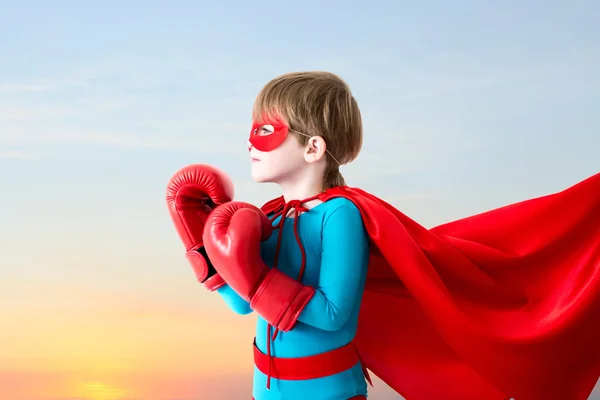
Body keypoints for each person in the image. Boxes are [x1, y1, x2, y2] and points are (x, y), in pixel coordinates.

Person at [167, 72, 600, 400]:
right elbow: (244, 306)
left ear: (313, 148)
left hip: (327, 390)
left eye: (265, 131)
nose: (250, 142)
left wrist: (258, 278)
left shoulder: (340, 216)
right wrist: (201, 245)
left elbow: (335, 315)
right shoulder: (268, 217)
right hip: (265, 387)